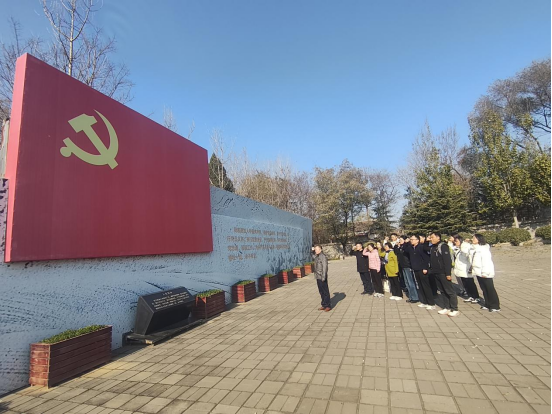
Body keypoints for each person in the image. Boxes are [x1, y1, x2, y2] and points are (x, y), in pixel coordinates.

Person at [429, 232, 460, 317]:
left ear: (438, 237)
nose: (431, 239)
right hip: (436, 272)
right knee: (442, 290)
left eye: (432, 237)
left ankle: (454, 309)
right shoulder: (433, 247)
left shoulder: (443, 246)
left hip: (443, 273)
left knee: (449, 291)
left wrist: (448, 273)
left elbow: (447, 261)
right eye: (430, 238)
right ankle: (447, 307)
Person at [470, 234, 501, 313]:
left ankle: (495, 306)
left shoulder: (483, 249)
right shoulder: (475, 249)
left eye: (474, 238)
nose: (472, 239)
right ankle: (487, 304)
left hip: (485, 272)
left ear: (479, 239)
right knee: (484, 289)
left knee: (490, 289)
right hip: (478, 272)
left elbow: (486, 262)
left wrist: (485, 272)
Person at [408, 235, 436, 310]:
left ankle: (431, 303)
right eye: (411, 239)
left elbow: (426, 258)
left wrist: (425, 268)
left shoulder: (421, 247)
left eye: (413, 239)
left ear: (417, 240)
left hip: (422, 269)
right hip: (415, 269)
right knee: (420, 286)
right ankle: (424, 302)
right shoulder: (411, 248)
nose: (411, 240)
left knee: (426, 286)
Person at [453, 235, 481, 303]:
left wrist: (464, 244)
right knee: (465, 284)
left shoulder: (466, 248)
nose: (455, 242)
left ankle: (476, 297)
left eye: (456, 241)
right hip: (461, 270)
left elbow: (468, 254)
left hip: (466, 269)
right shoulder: (458, 249)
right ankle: (470, 296)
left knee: (471, 284)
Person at [396, 236, 418, 303]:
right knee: (407, 282)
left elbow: (407, 250)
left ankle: (415, 297)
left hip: (408, 266)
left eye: (401, 239)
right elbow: (396, 252)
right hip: (403, 266)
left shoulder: (408, 246)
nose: (399, 241)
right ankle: (411, 296)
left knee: (410, 282)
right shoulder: (401, 247)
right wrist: (397, 246)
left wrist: (406, 243)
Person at [313, 245, 331, 312]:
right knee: (321, 292)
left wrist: (324, 277)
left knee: (325, 292)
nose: (315, 251)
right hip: (318, 276)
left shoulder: (323, 256)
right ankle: (323, 304)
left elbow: (325, 267)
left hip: (322, 276)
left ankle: (328, 305)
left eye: (316, 249)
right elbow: (312, 256)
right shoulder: (316, 256)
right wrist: (312, 251)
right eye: (315, 250)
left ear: (320, 249)